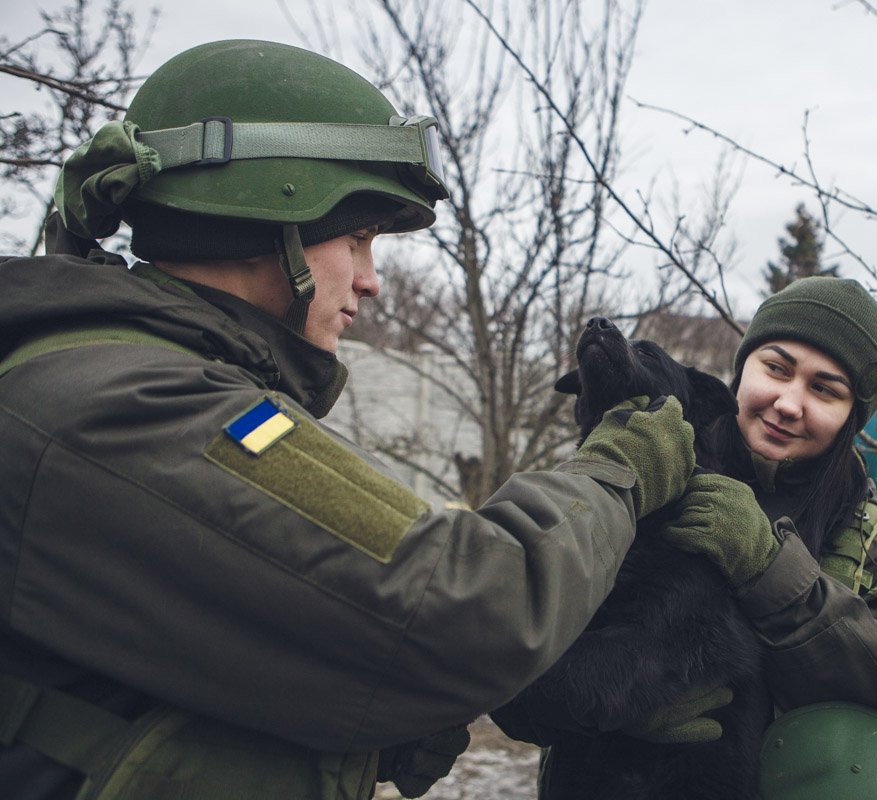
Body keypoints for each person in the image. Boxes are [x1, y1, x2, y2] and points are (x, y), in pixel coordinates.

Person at [0, 40, 704, 800]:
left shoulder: (132, 381)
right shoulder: (123, 406)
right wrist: (619, 468)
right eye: (359, 237)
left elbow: (200, 660)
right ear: (272, 213)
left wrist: (375, 731)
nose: (370, 280)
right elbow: (473, 606)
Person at [659, 276, 877, 795]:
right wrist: (604, 709)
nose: (788, 403)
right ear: (742, 368)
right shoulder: (658, 474)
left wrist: (772, 573)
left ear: (851, 418)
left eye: (825, 389)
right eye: (775, 368)